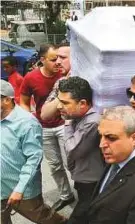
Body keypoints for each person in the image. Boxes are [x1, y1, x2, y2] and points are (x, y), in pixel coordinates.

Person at [0, 80, 67, 224]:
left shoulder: (27, 123)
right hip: (1, 185)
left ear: (6, 100)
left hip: (20, 189)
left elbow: (34, 158)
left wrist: (20, 189)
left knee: (44, 218)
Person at [20, 44, 75, 211]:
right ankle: (66, 195)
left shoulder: (64, 74)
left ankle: (86, 196)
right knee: (54, 165)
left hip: (63, 125)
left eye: (61, 58)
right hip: (43, 127)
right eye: (53, 59)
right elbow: (23, 101)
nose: (58, 62)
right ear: (42, 60)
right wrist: (30, 119)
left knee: (70, 162)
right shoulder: (31, 78)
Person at [57, 77, 105, 223]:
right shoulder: (78, 117)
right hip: (82, 175)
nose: (59, 106)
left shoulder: (91, 122)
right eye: (59, 100)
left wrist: (67, 124)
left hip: (91, 181)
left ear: (83, 103)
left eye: (65, 103)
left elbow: (71, 149)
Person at [41, 42, 71, 121]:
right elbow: (44, 115)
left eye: (63, 58)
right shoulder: (61, 82)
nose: (57, 62)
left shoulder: (92, 81)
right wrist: (64, 90)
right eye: (57, 58)